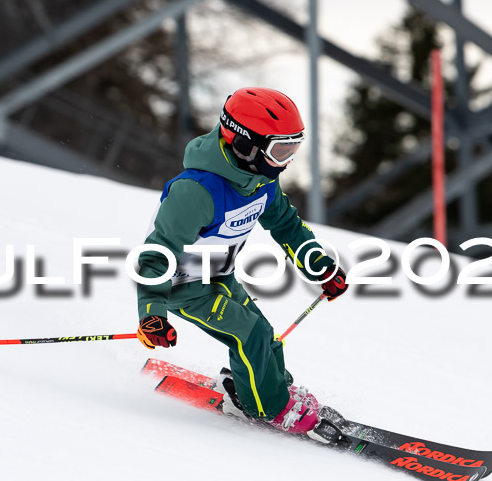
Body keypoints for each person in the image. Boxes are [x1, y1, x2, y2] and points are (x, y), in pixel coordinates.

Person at [135, 87, 348, 437]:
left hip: (219, 277)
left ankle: (273, 388)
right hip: (182, 287)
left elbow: (286, 225)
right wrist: (151, 311)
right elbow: (159, 251)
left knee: (264, 333)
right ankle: (268, 408)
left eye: (293, 149)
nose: (286, 161)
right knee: (250, 334)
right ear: (245, 144)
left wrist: (320, 267)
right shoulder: (196, 192)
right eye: (280, 150)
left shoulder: (261, 182)